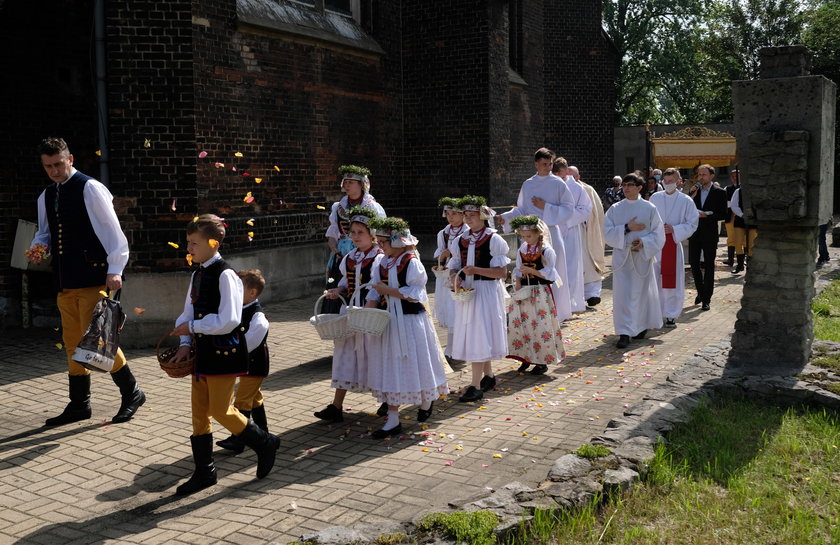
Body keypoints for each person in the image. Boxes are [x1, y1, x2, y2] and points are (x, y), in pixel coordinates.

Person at [28, 137, 145, 427]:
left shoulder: (90, 188)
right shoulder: (46, 195)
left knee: (97, 341)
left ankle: (133, 392)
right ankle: (80, 404)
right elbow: (45, 233)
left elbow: (112, 231)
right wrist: (37, 247)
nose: (54, 171)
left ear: (70, 160)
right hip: (65, 279)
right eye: (48, 166)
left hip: (94, 276)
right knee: (71, 342)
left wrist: (116, 267)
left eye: (58, 164)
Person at [168, 215, 279, 495]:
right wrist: (184, 342)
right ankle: (205, 472)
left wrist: (193, 327)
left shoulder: (227, 275)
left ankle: (265, 442)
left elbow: (229, 319)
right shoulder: (197, 274)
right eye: (188, 243)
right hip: (201, 352)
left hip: (224, 353)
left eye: (194, 243)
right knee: (198, 416)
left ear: (213, 243)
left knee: (221, 410)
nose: (189, 248)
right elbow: (188, 312)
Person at [366, 217, 449, 438]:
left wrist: (387, 290)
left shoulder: (411, 262)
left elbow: (415, 295)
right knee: (391, 365)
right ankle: (393, 419)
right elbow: (374, 290)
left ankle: (425, 400)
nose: (380, 246)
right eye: (379, 241)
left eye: (383, 242)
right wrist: (367, 313)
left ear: (397, 241)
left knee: (414, 361)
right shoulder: (381, 261)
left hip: (409, 322)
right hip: (389, 322)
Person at [314, 206, 384, 423]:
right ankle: (336, 406)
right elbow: (345, 282)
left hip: (372, 313)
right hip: (351, 311)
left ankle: (386, 400)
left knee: (375, 354)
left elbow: (377, 286)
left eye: (360, 233)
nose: (354, 237)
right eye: (352, 232)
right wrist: (338, 291)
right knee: (344, 353)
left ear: (372, 234)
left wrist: (367, 307)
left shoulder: (380, 257)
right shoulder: (350, 256)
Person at [498, 148, 574, 321]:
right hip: (531, 235)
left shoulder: (558, 183)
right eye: (544, 164)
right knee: (532, 270)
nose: (548, 168)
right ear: (536, 164)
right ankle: (536, 310)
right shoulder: (528, 184)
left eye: (550, 164)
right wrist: (506, 218)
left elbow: (568, 209)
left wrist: (545, 207)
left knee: (553, 268)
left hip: (551, 233)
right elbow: (522, 210)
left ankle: (557, 312)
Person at [448, 195, 510, 402]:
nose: (468, 219)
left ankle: (475, 385)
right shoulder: (461, 240)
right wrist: (453, 279)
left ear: (483, 217)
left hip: (486, 292)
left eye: (472, 215)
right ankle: (488, 376)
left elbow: (501, 272)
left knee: (478, 333)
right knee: (476, 332)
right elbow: (455, 265)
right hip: (468, 292)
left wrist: (476, 270)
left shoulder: (494, 239)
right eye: (466, 215)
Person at [604, 173, 666, 349]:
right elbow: (607, 232)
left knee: (640, 293)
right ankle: (624, 332)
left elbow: (658, 233)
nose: (626, 188)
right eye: (624, 185)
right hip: (623, 257)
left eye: (630, 185)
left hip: (641, 258)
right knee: (623, 295)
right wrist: (626, 228)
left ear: (639, 187)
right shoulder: (615, 209)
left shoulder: (649, 208)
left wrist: (644, 242)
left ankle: (640, 326)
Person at [215, 269, 271, 454]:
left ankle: (239, 439)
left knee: (243, 400)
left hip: (254, 365)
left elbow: (252, 340)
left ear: (252, 292)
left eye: (239, 287)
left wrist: (233, 352)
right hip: (246, 364)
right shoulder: (238, 308)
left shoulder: (257, 316)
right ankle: (263, 431)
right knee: (255, 397)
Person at [506, 216, 565, 375]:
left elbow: (550, 274)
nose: (526, 239)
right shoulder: (522, 249)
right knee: (522, 325)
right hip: (524, 292)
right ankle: (526, 357)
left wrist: (532, 271)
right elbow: (518, 268)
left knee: (540, 326)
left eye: (529, 236)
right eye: (523, 236)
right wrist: (517, 285)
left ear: (539, 233)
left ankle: (541, 361)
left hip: (539, 292)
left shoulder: (546, 251)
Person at [323, 165, 386, 313]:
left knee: (366, 286)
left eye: (350, 182)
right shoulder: (338, 207)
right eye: (345, 182)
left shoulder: (372, 207)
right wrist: (335, 250)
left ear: (361, 185)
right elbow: (332, 233)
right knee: (340, 285)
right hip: (342, 255)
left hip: (368, 254)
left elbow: (381, 234)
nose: (346, 185)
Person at [650, 168, 698, 328]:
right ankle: (655, 311)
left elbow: (692, 223)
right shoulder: (655, 198)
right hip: (656, 245)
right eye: (665, 181)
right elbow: (648, 217)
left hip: (672, 244)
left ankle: (670, 314)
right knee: (655, 278)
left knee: (672, 280)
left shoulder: (686, 200)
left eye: (671, 181)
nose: (668, 184)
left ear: (678, 181)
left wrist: (674, 229)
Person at [688, 164, 728, 310]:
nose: (701, 177)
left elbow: (723, 214)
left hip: (710, 232)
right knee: (693, 262)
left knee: (709, 265)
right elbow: (686, 209)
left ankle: (707, 299)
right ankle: (700, 291)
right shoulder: (694, 191)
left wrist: (708, 215)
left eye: (704, 174)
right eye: (699, 175)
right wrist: (690, 196)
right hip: (694, 232)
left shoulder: (719, 192)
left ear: (711, 176)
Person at [553, 157, 590, 313]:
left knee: (571, 266)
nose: (559, 177)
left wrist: (566, 219)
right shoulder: (551, 185)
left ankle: (572, 303)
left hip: (570, 230)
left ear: (566, 172)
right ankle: (556, 301)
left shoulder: (577, 188)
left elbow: (586, 209)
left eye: (560, 174)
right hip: (553, 229)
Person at [432, 197, 466, 362]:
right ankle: (451, 347)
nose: (451, 217)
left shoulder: (467, 232)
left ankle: (458, 346)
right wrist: (442, 254)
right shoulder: (443, 233)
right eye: (448, 214)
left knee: (460, 310)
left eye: (454, 214)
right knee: (450, 310)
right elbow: (439, 253)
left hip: (461, 274)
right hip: (446, 275)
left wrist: (451, 253)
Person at [568, 166, 606, 307]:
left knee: (590, 262)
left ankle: (592, 294)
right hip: (569, 231)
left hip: (586, 231)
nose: (571, 179)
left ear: (579, 176)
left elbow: (596, 211)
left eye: (574, 176)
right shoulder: (562, 188)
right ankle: (576, 295)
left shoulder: (587, 190)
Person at [729, 186, 758, 274]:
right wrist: (742, 215)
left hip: (753, 221)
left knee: (751, 244)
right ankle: (740, 265)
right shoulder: (738, 191)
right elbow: (734, 205)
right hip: (740, 220)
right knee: (738, 243)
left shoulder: (756, 190)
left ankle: (750, 266)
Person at [723, 168, 740, 267]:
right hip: (730, 216)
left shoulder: (744, 188)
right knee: (731, 238)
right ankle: (730, 259)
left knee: (743, 239)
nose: (735, 178)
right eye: (733, 176)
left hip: (741, 217)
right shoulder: (727, 189)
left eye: (736, 176)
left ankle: (741, 260)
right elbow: (724, 202)